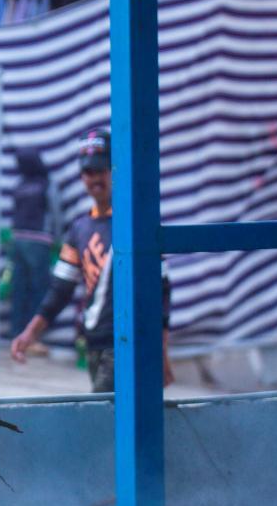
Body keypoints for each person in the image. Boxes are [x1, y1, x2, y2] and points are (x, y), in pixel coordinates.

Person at [9, 129, 174, 392]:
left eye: (101, 170)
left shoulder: (136, 224)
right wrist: (30, 333)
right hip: (93, 345)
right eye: (88, 172)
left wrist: (161, 351)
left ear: (115, 171)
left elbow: (160, 290)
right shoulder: (79, 229)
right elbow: (60, 290)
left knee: (104, 412)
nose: (95, 178)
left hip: (127, 345)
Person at [8, 146, 59, 347]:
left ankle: (16, 334)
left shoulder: (19, 186)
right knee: (39, 290)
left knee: (19, 289)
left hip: (18, 240)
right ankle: (33, 338)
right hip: (39, 241)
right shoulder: (46, 184)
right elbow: (55, 212)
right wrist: (58, 238)